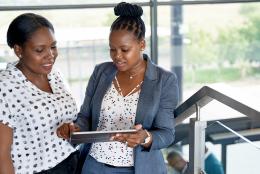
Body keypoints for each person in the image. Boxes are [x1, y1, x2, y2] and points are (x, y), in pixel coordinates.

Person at [57, 2, 179, 174]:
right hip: (94, 166)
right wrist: (74, 129)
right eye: (112, 49)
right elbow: (85, 116)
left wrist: (145, 137)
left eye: (124, 49)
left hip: (137, 169)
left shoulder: (164, 80)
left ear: (142, 44)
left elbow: (167, 133)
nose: (117, 56)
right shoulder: (101, 72)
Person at [0, 13, 80, 174]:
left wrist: (72, 128)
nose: (50, 55)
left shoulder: (54, 74)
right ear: (18, 50)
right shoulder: (4, 86)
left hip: (72, 162)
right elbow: (2, 155)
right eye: (39, 50)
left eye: (53, 47)